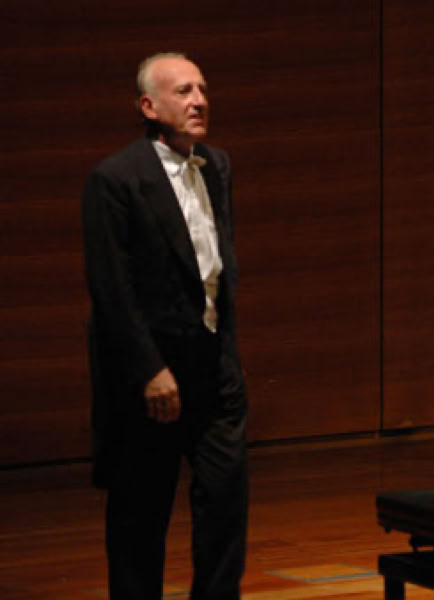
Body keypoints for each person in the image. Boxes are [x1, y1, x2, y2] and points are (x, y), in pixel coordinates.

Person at [82, 52, 248, 600]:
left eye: (202, 89)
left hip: (213, 370)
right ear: (148, 106)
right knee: (140, 517)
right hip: (152, 378)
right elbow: (111, 289)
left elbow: (215, 267)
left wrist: (227, 354)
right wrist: (150, 369)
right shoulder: (115, 179)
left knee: (225, 505)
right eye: (184, 92)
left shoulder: (217, 165)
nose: (199, 101)